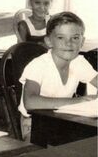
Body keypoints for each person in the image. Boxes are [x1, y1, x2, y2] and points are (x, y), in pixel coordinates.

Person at [18, 12, 97, 140]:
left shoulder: (79, 61)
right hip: (34, 125)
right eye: (61, 38)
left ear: (82, 41)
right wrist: (77, 101)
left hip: (62, 119)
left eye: (75, 38)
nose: (69, 43)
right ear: (49, 41)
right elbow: (30, 102)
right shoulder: (39, 65)